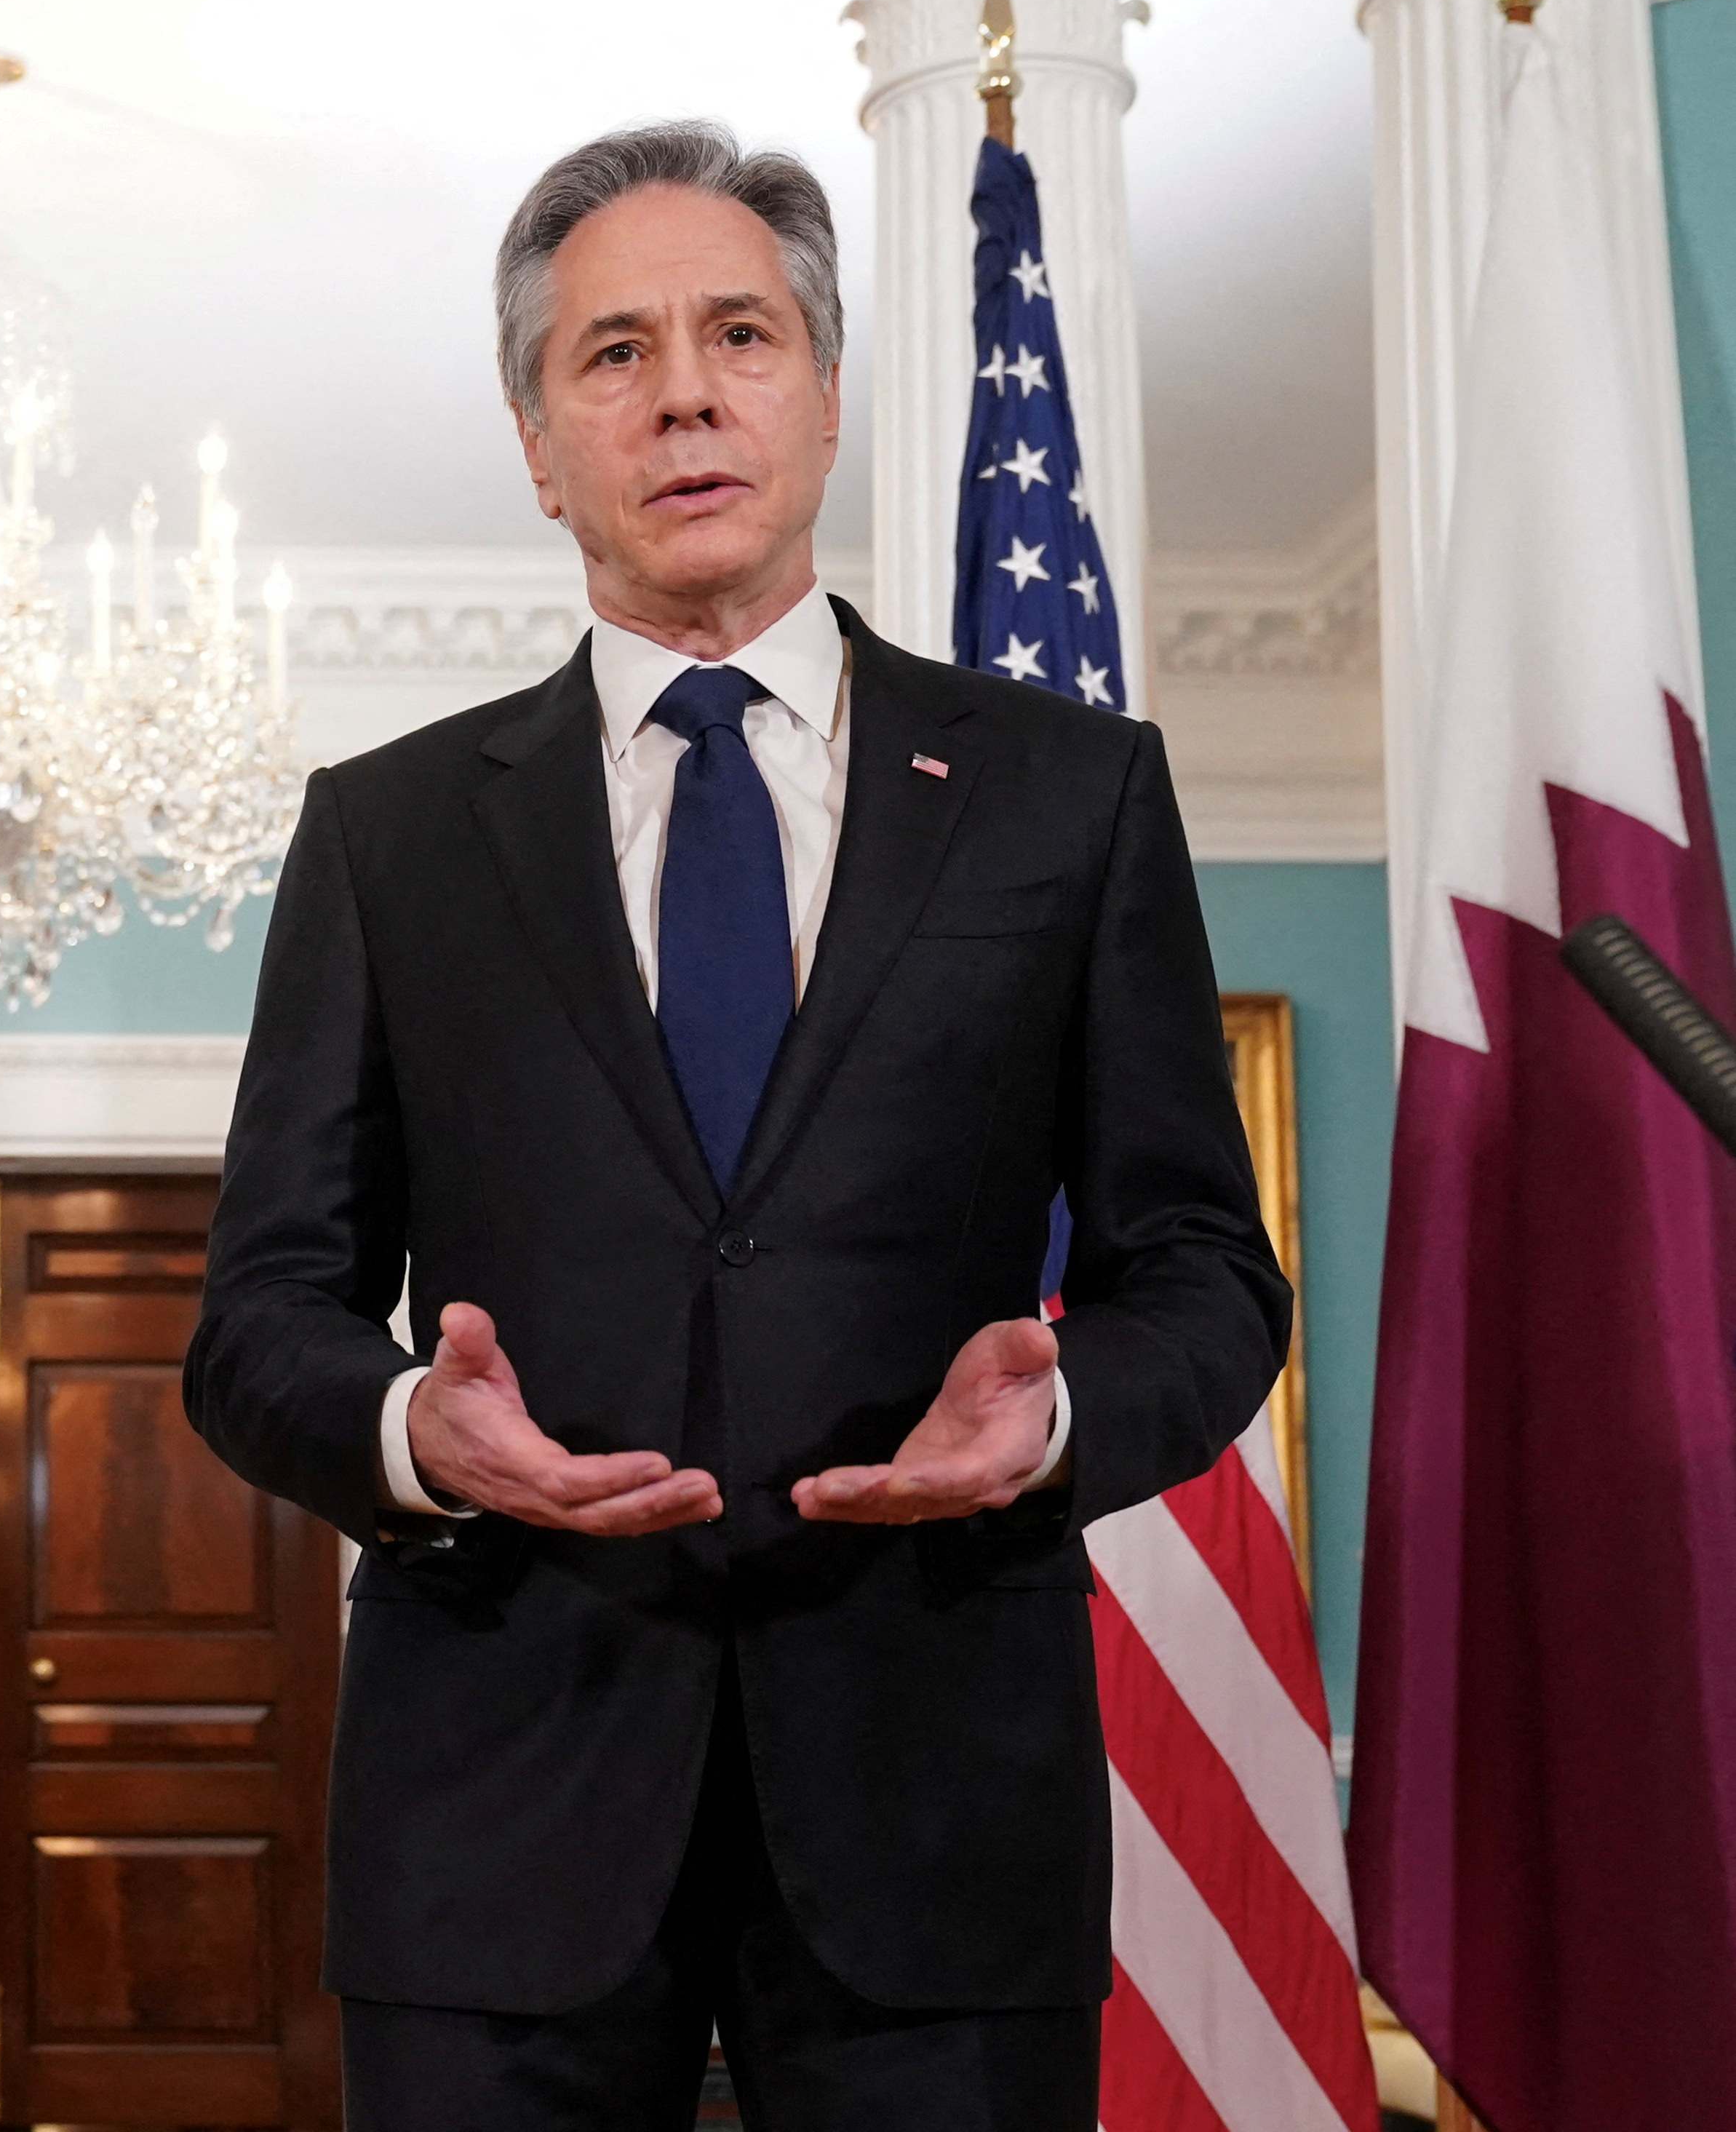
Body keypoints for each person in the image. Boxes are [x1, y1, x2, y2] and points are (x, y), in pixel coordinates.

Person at [186, 123, 1288, 2129]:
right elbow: (261, 1318)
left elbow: (1205, 1271)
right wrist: (411, 1433)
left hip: (940, 1801)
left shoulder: (1069, 794)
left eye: (741, 335)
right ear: (539, 445)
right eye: (614, 353)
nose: (684, 393)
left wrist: (1049, 1422)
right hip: (499, 1803)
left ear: (827, 394)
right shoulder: (387, 835)